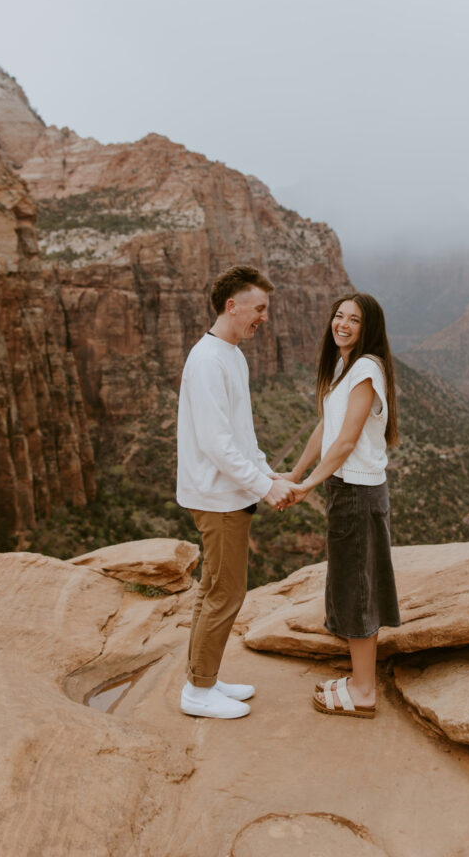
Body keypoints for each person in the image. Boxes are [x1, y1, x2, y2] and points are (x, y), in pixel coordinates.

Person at [177, 264, 296, 719]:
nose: (263, 318)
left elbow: (241, 436)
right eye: (259, 308)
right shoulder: (208, 360)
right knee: (226, 593)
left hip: (231, 492)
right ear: (233, 305)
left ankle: (203, 677)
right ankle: (198, 692)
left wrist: (269, 473)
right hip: (217, 497)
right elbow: (216, 443)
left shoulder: (231, 354)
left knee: (214, 590)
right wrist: (265, 488)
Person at [285, 293, 401, 718]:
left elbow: (348, 439)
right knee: (351, 584)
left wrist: (309, 486)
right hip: (345, 488)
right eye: (339, 316)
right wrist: (296, 474)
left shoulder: (367, 369)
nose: (343, 325)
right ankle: (358, 680)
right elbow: (326, 426)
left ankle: (365, 693)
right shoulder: (344, 367)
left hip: (356, 492)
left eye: (354, 320)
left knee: (357, 589)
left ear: (368, 327)